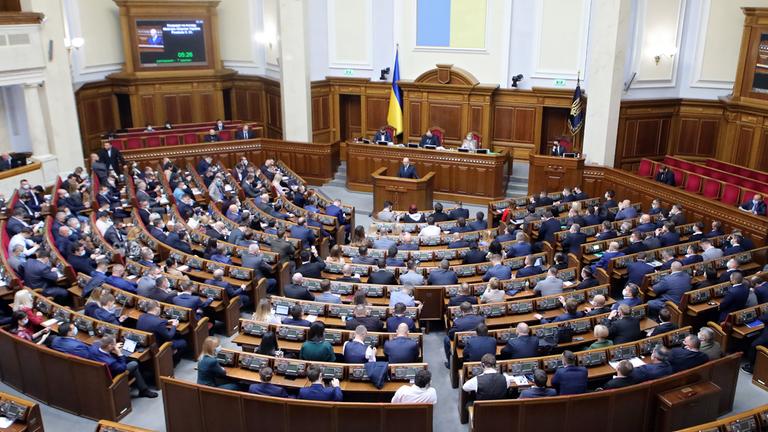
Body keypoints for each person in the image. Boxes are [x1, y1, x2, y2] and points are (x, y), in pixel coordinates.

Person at [89, 336, 157, 398]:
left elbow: (97, 342)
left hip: (98, 374)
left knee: (133, 367)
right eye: (114, 344)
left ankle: (143, 389)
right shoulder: (111, 362)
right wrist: (119, 353)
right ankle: (143, 390)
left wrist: (113, 347)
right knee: (134, 363)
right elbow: (122, 368)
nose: (116, 345)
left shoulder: (94, 347)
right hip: (113, 375)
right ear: (109, 346)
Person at [443, 302, 485, 367]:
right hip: (479, 341)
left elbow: (451, 335)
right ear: (472, 309)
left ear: (462, 311)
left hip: (462, 344)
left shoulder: (457, 322)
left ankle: (450, 364)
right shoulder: (481, 319)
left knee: (446, 339)